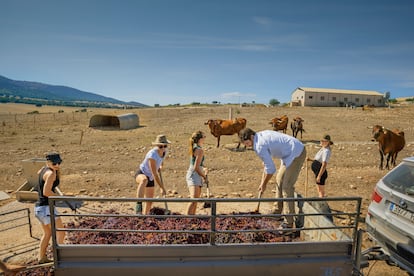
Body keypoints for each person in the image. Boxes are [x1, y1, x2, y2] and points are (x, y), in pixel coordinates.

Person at [239, 128, 306, 231]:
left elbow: (271, 169)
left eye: (247, 142)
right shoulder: (259, 137)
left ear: (251, 137)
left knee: (286, 186)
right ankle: (277, 211)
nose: (247, 145)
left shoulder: (259, 145)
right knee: (279, 180)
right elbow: (267, 166)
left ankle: (288, 223)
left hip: (296, 153)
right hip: (288, 154)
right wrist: (262, 182)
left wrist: (264, 184)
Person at [34, 152, 66, 264]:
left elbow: (39, 175)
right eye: (54, 163)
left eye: (59, 162)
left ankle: (41, 257)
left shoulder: (43, 169)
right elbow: (46, 192)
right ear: (48, 162)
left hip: (39, 208)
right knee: (61, 232)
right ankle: (59, 257)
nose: (57, 165)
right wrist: (60, 197)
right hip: (46, 208)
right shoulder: (51, 174)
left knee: (47, 233)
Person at [135, 134, 170, 214]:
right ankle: (138, 206)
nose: (163, 148)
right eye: (160, 147)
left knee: (149, 201)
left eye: (165, 146)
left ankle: (145, 216)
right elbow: (154, 173)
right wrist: (162, 187)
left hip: (150, 178)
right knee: (144, 180)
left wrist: (160, 166)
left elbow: (161, 160)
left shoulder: (165, 152)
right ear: (157, 146)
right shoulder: (152, 155)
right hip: (142, 173)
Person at [185, 131, 208, 215]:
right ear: (200, 139)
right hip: (194, 174)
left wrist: (204, 168)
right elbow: (196, 167)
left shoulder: (195, 147)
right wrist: (204, 177)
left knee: (196, 200)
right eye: (204, 136)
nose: (205, 138)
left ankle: (192, 218)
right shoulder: (199, 150)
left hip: (195, 173)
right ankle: (187, 219)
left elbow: (198, 164)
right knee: (193, 199)